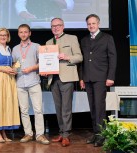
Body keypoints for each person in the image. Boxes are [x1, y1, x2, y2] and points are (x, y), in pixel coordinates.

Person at [79, 14, 117, 147]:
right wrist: (82, 78)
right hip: (88, 78)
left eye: (93, 23)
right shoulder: (84, 40)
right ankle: (96, 133)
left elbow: (113, 58)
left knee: (100, 107)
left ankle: (102, 135)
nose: (91, 26)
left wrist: (110, 77)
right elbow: (83, 61)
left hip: (101, 78)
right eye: (89, 24)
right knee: (93, 107)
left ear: (98, 24)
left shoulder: (107, 38)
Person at [45, 17, 83, 147]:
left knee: (66, 108)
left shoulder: (72, 38)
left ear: (63, 26)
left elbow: (79, 57)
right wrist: (45, 70)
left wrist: (67, 57)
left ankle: (66, 135)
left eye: (58, 25)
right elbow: (46, 61)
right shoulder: (48, 42)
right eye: (53, 26)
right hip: (53, 79)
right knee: (58, 108)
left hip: (67, 78)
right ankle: (61, 132)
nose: (55, 28)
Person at [12, 24, 50, 145]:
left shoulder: (36, 46)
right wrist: (14, 68)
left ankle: (40, 135)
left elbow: (42, 62)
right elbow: (15, 64)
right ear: (18, 34)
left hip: (33, 81)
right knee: (23, 110)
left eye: (25, 32)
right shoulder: (15, 49)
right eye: (21, 32)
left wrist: (31, 68)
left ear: (30, 33)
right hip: (20, 83)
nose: (23, 34)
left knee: (38, 109)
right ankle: (28, 133)